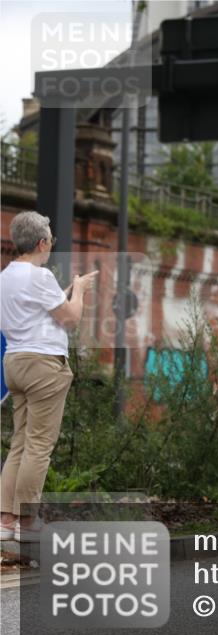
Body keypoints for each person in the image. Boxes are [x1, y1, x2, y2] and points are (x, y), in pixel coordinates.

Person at [0, 211, 97, 542]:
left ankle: (6, 520)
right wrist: (81, 290)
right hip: (44, 365)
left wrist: (65, 290)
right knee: (39, 445)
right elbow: (69, 318)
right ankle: (27, 524)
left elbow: (35, 314)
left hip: (15, 361)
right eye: (51, 240)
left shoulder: (5, 277)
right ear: (42, 242)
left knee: (20, 442)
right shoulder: (38, 276)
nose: (52, 245)